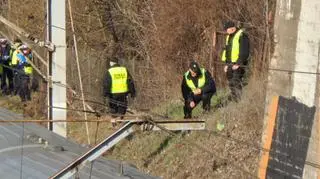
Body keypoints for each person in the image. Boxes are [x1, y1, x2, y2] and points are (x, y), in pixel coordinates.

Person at [221, 20, 250, 102]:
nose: (226, 31)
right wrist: (226, 64)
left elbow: (244, 51)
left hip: (238, 64)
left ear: (232, 28)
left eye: (226, 29)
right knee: (230, 82)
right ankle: (234, 99)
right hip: (230, 64)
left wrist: (239, 63)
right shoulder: (229, 37)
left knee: (236, 81)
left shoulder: (242, 35)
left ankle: (238, 100)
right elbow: (227, 51)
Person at [104, 57, 136, 122]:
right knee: (122, 107)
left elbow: (107, 84)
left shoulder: (109, 71)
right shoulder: (124, 70)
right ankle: (120, 120)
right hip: (123, 93)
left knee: (113, 108)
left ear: (111, 63)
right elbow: (130, 82)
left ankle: (114, 121)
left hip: (113, 94)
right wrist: (133, 92)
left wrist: (105, 94)